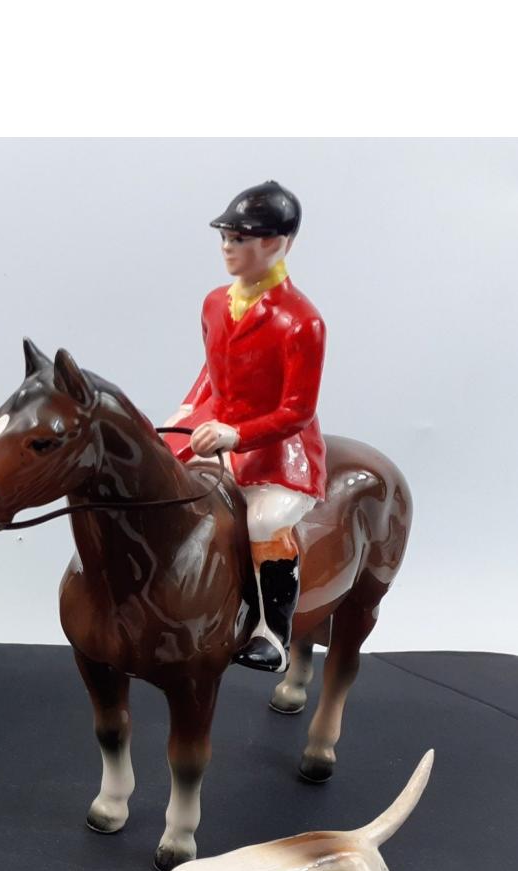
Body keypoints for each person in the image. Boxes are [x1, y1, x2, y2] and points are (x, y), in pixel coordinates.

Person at [169, 180, 326, 673]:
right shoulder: (214, 303)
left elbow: (297, 411)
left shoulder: (302, 322)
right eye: (225, 237)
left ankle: (272, 634)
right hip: (214, 424)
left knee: (264, 521)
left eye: (239, 239)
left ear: (276, 243)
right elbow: (211, 371)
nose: (227, 247)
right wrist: (186, 410)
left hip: (278, 448)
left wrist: (237, 436)